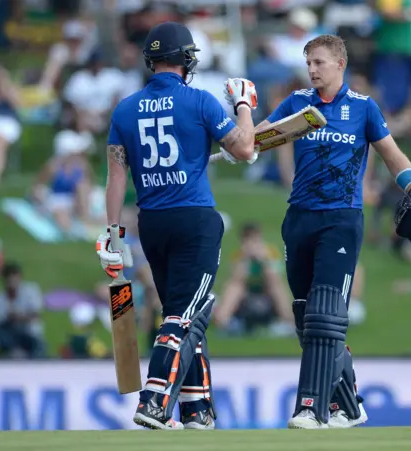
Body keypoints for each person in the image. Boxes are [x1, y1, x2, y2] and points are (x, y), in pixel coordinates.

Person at [252, 35, 411, 429]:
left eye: (319, 62)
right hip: (299, 218)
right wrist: (244, 124)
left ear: (340, 63)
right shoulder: (297, 104)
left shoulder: (363, 108)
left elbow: (391, 154)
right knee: (306, 317)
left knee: (327, 312)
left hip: (342, 218)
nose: (311, 69)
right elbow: (257, 142)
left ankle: (311, 407)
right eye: (308, 62)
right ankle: (349, 406)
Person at [95, 22, 258, 431]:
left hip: (151, 223)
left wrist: (112, 233)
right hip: (195, 219)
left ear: (151, 62)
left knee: (180, 314)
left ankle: (196, 408)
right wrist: (244, 105)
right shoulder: (199, 100)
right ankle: (153, 400)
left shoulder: (125, 108)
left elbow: (116, 178)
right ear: (187, 59)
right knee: (187, 314)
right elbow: (246, 148)